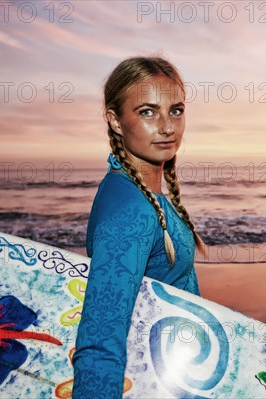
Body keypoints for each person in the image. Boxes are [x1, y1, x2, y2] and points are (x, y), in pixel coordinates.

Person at [72, 56, 207, 398]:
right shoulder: (130, 208)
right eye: (147, 112)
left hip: (171, 377)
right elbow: (100, 340)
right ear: (116, 121)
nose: (167, 127)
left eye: (175, 110)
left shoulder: (139, 193)